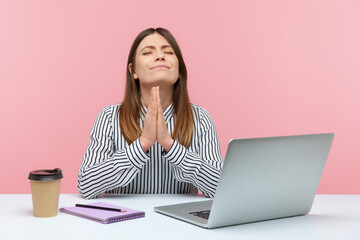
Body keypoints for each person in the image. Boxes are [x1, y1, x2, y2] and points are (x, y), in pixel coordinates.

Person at [78, 27, 223, 199]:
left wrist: (169, 145)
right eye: (148, 52)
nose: (160, 56)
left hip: (180, 224)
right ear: (133, 71)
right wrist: (142, 144)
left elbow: (220, 188)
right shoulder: (110, 117)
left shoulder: (200, 119)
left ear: (179, 72)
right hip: (123, 223)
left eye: (168, 52)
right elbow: (86, 185)